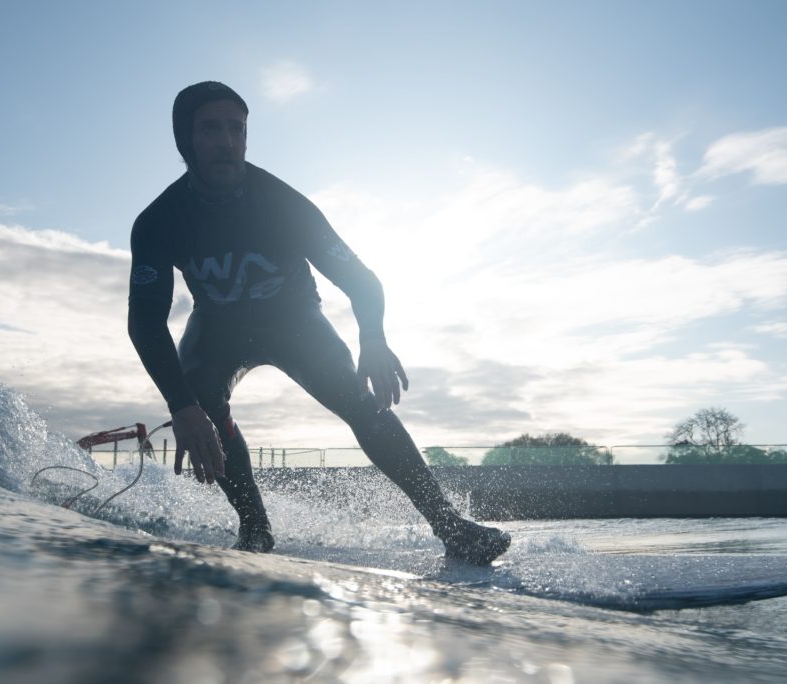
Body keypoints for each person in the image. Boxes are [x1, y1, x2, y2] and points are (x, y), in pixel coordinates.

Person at [127, 81, 510, 564]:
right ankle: (254, 527)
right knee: (200, 394)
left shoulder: (282, 204)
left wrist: (372, 337)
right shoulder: (159, 221)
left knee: (361, 403)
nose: (227, 141)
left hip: (295, 322)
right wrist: (181, 407)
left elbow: (362, 280)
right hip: (217, 329)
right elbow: (144, 320)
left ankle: (452, 526)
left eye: (237, 129)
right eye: (211, 129)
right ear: (186, 140)